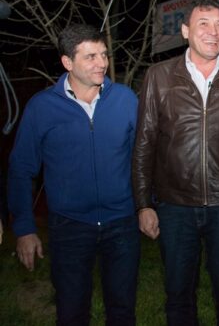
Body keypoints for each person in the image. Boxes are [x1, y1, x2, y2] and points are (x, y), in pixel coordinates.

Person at [132, 0, 219, 326]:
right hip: (174, 206)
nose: (213, 32)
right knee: (178, 295)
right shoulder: (159, 75)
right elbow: (144, 143)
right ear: (185, 31)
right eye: (204, 24)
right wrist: (143, 204)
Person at [7, 23, 140, 325]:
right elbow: (21, 168)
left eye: (103, 54)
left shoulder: (125, 99)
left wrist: (146, 205)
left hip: (121, 223)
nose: (101, 63)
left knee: (122, 311)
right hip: (69, 226)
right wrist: (24, 228)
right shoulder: (42, 107)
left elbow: (141, 158)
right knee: (71, 312)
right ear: (67, 62)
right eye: (90, 56)